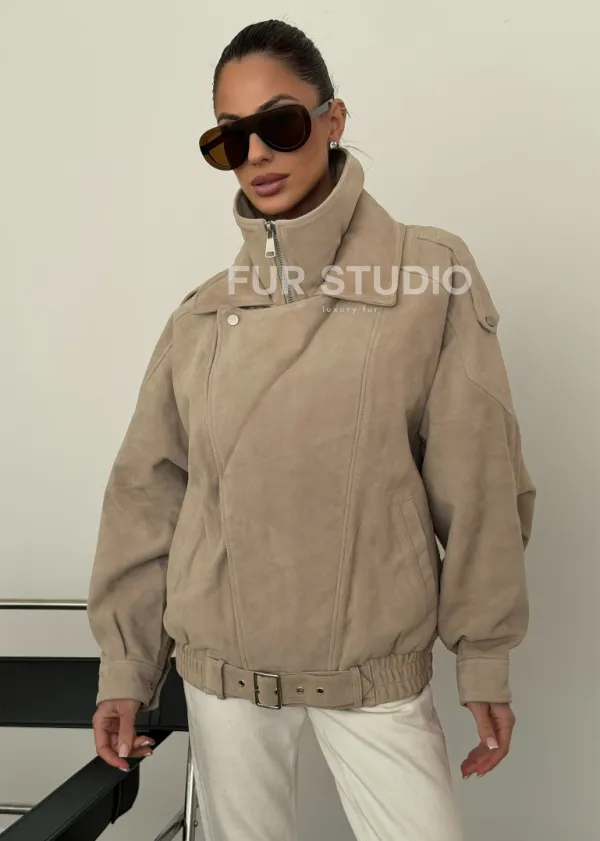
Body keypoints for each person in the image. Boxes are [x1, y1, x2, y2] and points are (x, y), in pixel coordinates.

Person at [87, 18, 536, 841]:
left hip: (373, 666)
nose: (257, 152)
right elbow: (147, 496)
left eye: (282, 123)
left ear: (333, 120)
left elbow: (479, 480)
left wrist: (484, 655)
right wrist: (126, 666)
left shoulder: (427, 274)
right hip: (224, 674)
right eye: (230, 138)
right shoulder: (200, 317)